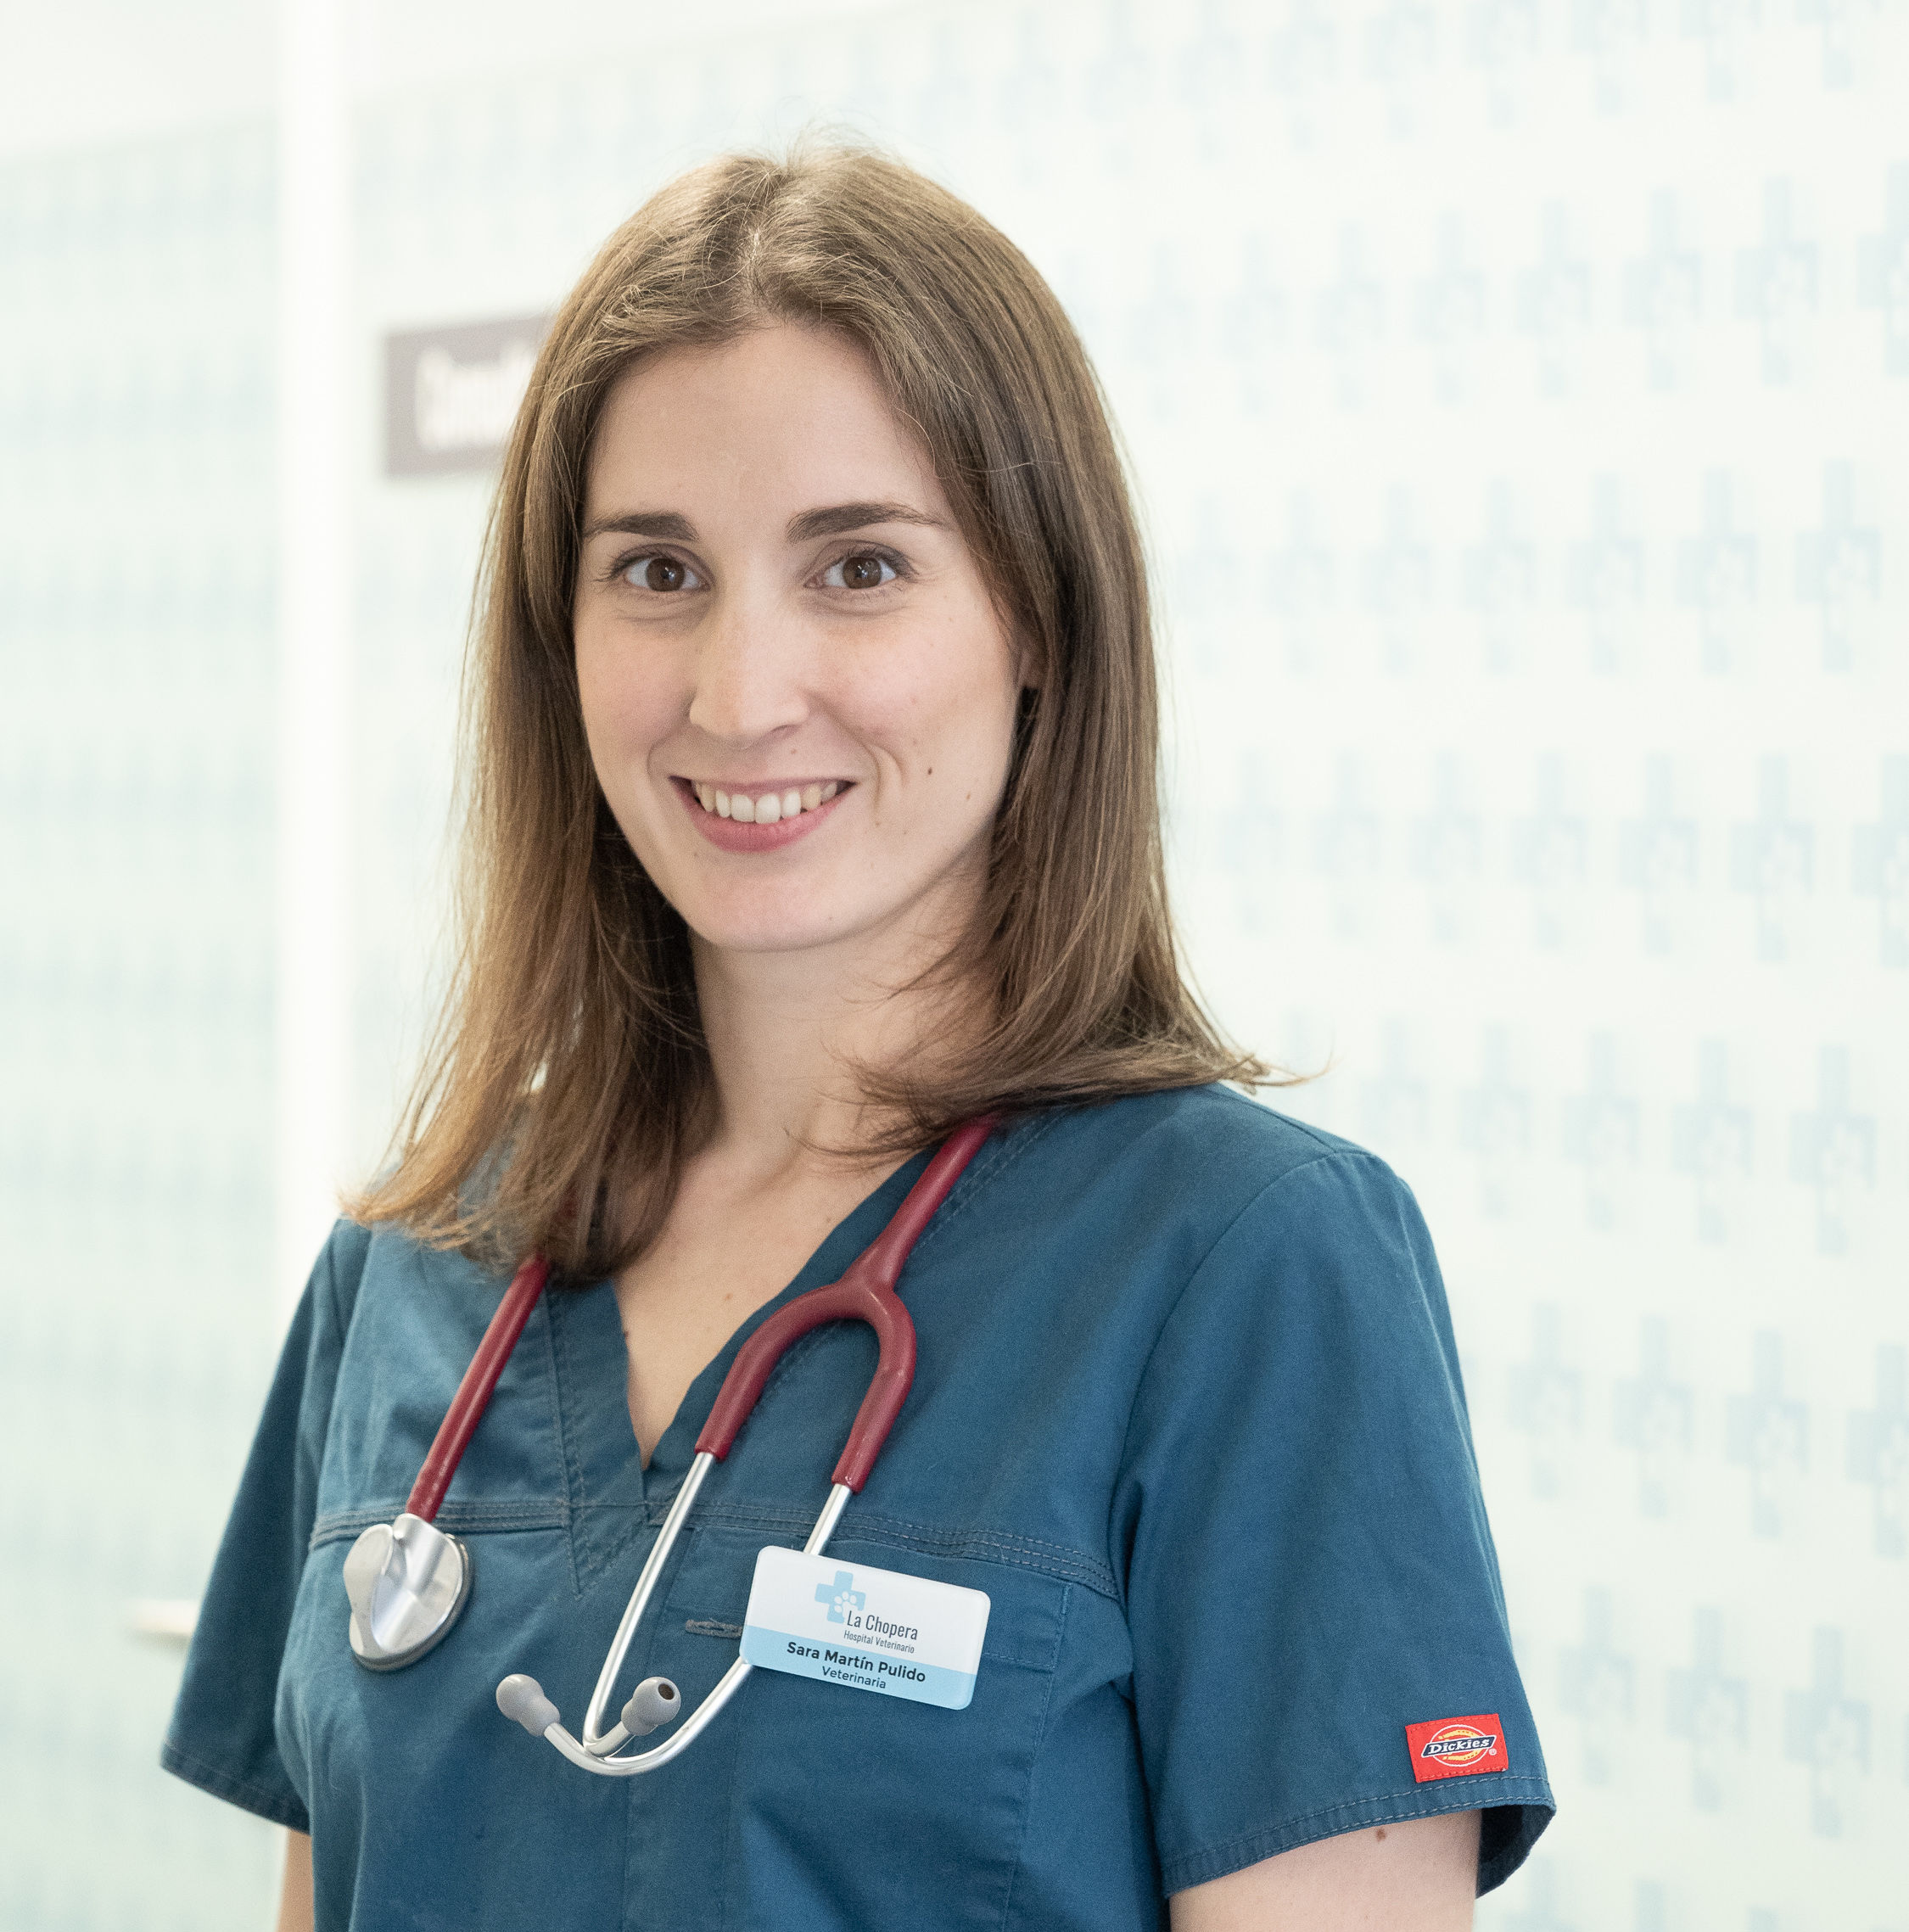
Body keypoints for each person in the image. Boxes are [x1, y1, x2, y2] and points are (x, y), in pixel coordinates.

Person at [164, 144, 1554, 1930]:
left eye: (861, 566)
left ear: (1037, 617)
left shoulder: (1246, 1269)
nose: (740, 694)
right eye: (656, 569)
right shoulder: (415, 1263)